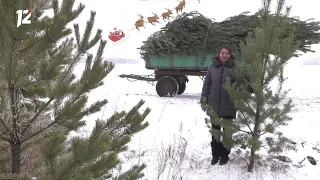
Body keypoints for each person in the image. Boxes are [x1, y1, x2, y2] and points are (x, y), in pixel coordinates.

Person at [200, 45, 250, 166]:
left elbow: (242, 83)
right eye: (222, 53)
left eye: (227, 53)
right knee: (215, 131)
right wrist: (204, 99)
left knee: (227, 132)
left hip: (229, 103)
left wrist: (248, 89)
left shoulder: (234, 67)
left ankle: (224, 155)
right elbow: (206, 85)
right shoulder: (212, 67)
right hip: (214, 103)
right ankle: (215, 155)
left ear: (230, 55)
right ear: (219, 54)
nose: (224, 55)